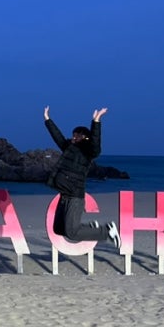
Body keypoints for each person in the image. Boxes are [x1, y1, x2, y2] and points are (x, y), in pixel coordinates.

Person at [44, 106, 121, 248]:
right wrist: (47, 119)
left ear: (84, 138)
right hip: (65, 195)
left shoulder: (88, 152)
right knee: (58, 229)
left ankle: (107, 231)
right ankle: (91, 228)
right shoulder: (69, 147)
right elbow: (57, 137)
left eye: (76, 136)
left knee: (72, 233)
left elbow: (95, 142)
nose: (73, 137)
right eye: (73, 135)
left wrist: (96, 121)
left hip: (74, 195)